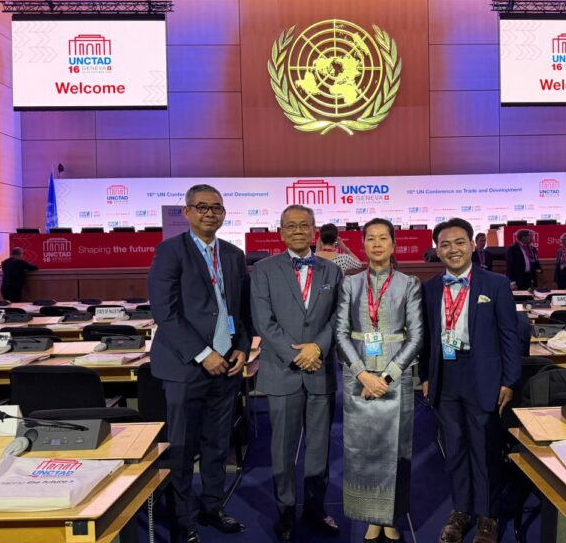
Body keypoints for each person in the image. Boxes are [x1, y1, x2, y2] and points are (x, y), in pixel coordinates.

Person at [148, 184, 250, 543]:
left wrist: (240, 347)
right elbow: (166, 311)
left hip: (228, 367)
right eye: (202, 207)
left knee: (217, 444)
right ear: (188, 212)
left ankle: (212, 506)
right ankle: (183, 518)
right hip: (185, 367)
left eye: (216, 208)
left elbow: (239, 310)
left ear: (224, 213)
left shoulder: (235, 255)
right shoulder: (170, 251)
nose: (210, 213)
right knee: (182, 447)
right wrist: (204, 354)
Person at [420, 218, 521, 543]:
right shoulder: (430, 287)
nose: (453, 249)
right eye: (445, 244)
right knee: (455, 449)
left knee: (484, 450)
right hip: (445, 378)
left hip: (484, 378)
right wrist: (424, 376)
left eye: (459, 242)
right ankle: (462, 510)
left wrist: (510, 379)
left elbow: (510, 335)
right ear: (437, 250)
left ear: (472, 245)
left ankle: (488, 516)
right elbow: (426, 338)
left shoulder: (495, 284)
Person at [250, 204, 344, 541]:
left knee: (320, 447)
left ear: (315, 230)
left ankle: (316, 508)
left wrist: (317, 347)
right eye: (290, 226)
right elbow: (263, 320)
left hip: (320, 371)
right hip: (282, 371)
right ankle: (286, 510)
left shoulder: (332, 271)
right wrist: (298, 355)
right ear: (280, 232)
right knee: (283, 448)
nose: (298, 231)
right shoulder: (263, 270)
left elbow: (338, 318)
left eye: (304, 225)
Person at [336, 218, 423, 543]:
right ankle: (371, 517)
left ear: (393, 244)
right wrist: (362, 374)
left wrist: (386, 377)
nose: (376, 244)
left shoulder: (408, 283)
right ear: (363, 245)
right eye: (370, 238)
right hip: (357, 379)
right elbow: (340, 334)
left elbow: (416, 338)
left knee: (398, 449)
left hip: (395, 380)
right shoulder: (350, 284)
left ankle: (391, 516)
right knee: (362, 449)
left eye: (383, 238)